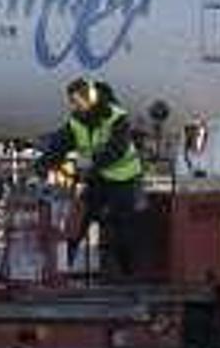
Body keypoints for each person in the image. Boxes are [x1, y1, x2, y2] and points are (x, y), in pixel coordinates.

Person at [35, 77, 143, 279]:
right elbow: (59, 145)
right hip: (97, 180)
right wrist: (43, 164)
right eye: (75, 100)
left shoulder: (117, 118)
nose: (79, 104)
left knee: (122, 228)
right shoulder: (77, 121)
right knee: (78, 220)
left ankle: (129, 274)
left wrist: (88, 165)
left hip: (125, 179)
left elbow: (116, 151)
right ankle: (63, 269)